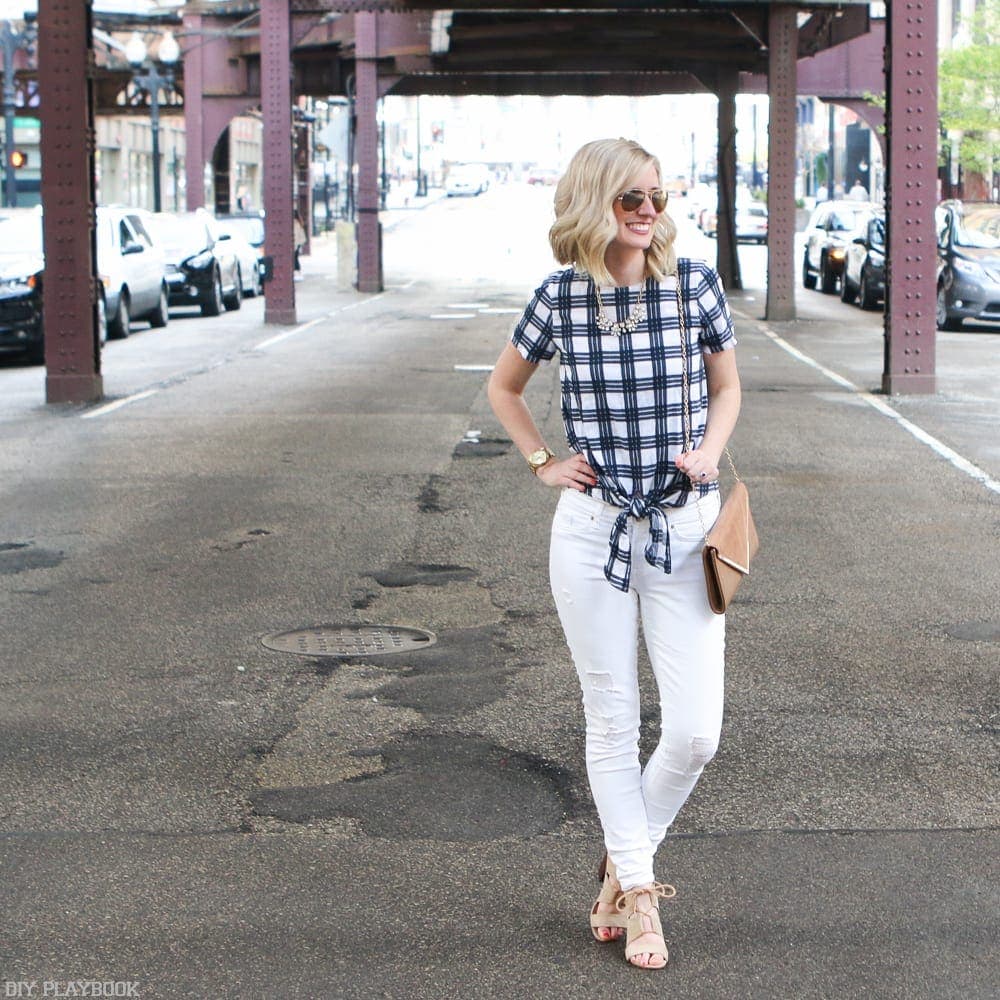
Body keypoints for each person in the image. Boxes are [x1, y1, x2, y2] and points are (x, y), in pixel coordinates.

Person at [487, 138, 741, 971]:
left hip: (685, 527)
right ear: (596, 203)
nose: (648, 212)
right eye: (632, 198)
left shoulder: (692, 283)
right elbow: (504, 387)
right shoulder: (560, 297)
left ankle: (622, 863)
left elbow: (728, 385)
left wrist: (708, 448)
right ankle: (640, 897)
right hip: (592, 530)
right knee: (612, 718)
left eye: (657, 197)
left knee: (697, 733)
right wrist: (541, 462)